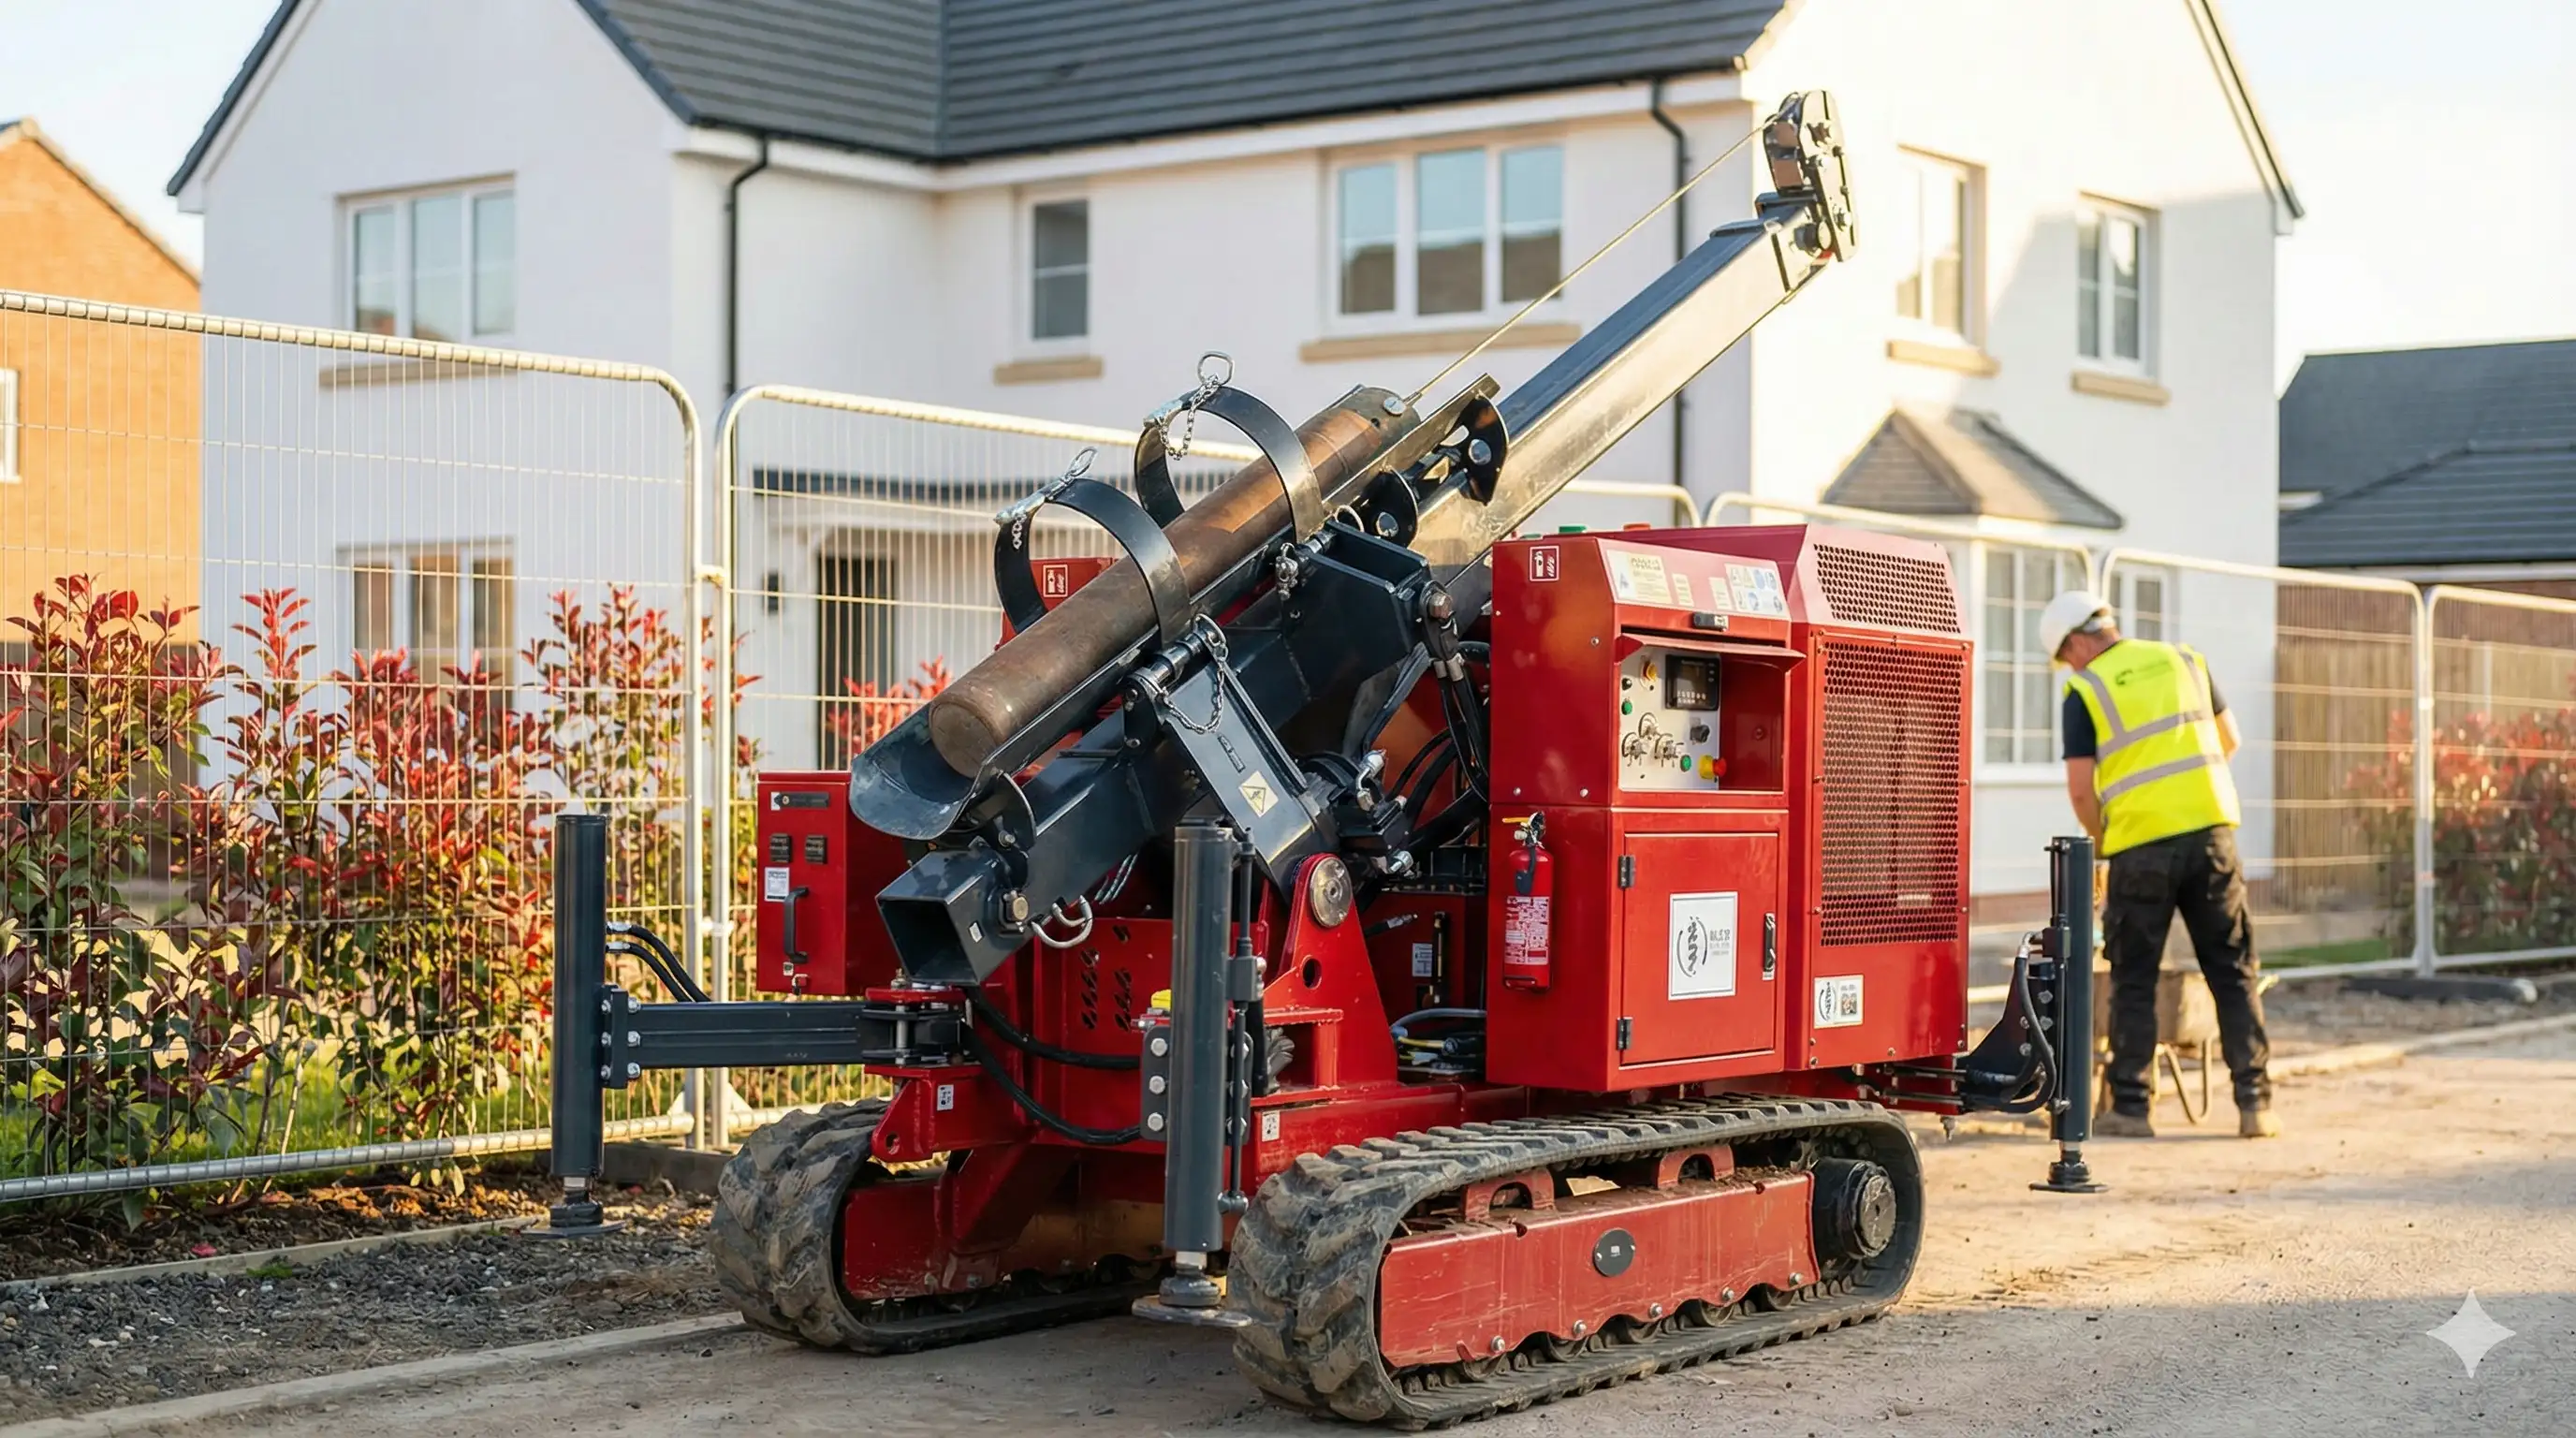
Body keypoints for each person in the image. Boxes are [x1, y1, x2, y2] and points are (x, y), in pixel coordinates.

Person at [2041, 590, 2277, 1140]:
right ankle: (2256, 1104)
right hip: (2213, 836)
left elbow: (2081, 791)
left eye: (2065, 657)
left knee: (2134, 976)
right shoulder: (2184, 660)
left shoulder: (2084, 689)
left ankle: (2131, 1107)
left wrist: (2104, 842)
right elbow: (2230, 739)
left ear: (2075, 643)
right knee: (2232, 968)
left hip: (2140, 847)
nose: (2069, 668)